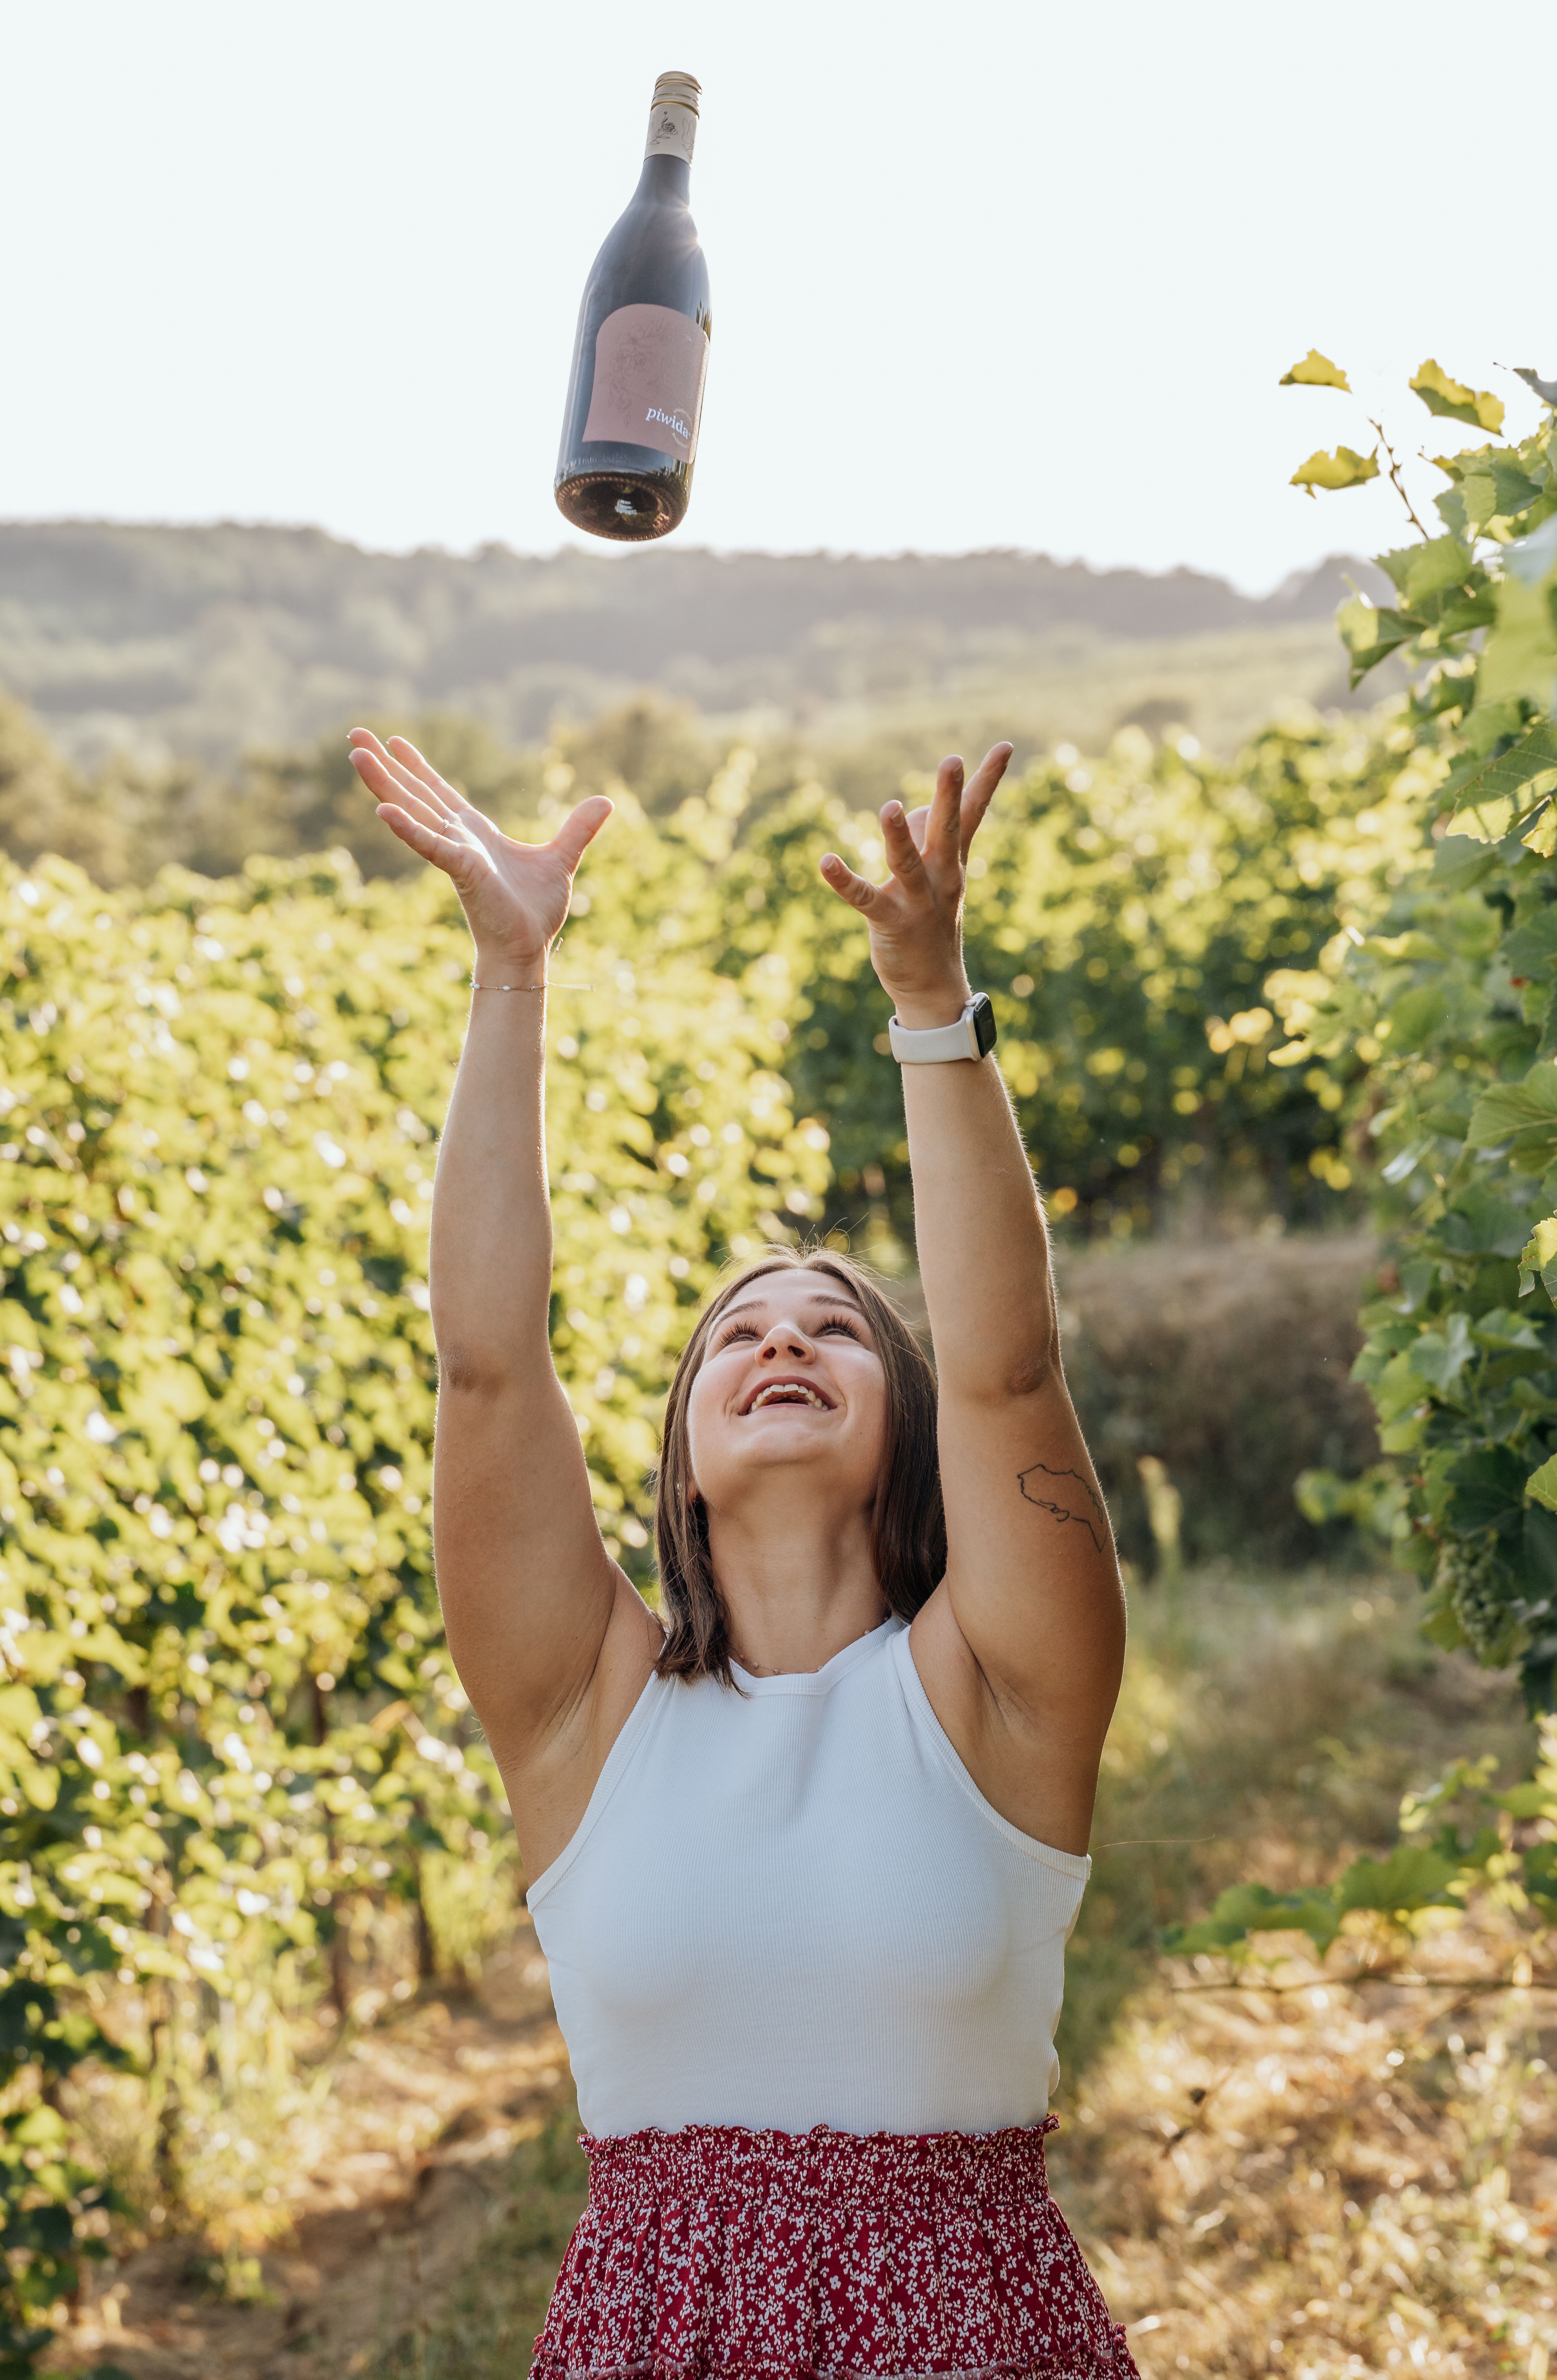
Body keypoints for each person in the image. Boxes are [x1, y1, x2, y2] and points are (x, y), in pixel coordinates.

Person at [348, 727, 1139, 2380]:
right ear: (683, 1466)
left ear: (909, 1437)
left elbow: (1008, 1369)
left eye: (835, 1330)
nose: (782, 1342)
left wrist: (931, 1008)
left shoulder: (997, 1695)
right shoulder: (586, 1718)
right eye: (737, 1338)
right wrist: (511, 973)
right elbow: (488, 1363)